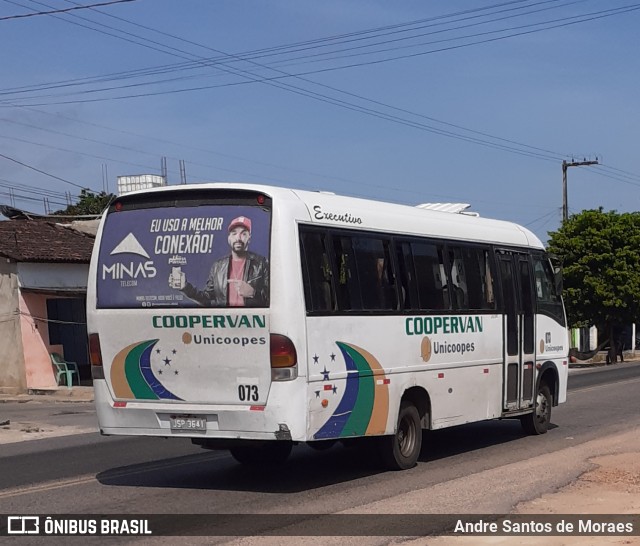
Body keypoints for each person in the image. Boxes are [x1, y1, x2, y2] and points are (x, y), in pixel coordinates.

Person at [169, 216, 269, 307]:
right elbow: (207, 299)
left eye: (243, 234)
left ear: (249, 238)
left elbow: (274, 300)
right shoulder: (218, 266)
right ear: (229, 238)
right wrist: (185, 287)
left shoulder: (261, 263)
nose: (238, 238)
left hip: (252, 323)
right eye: (234, 233)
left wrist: (253, 292)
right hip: (224, 323)